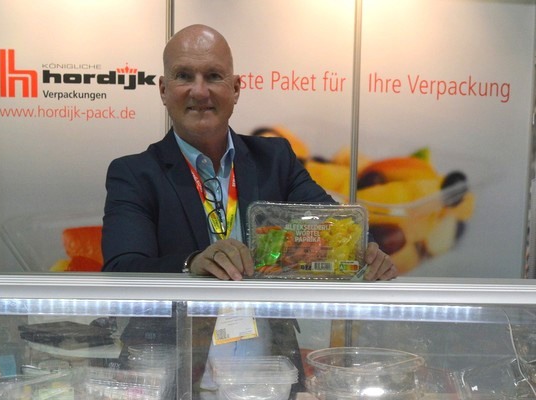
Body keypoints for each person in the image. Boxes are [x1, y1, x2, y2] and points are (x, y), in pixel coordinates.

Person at [102, 23, 397, 394]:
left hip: (268, 381)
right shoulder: (134, 173)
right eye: (184, 76)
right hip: (172, 379)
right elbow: (122, 270)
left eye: (214, 76)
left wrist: (364, 250)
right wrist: (192, 263)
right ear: (163, 89)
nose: (199, 91)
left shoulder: (275, 159)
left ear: (236, 88)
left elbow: (333, 226)